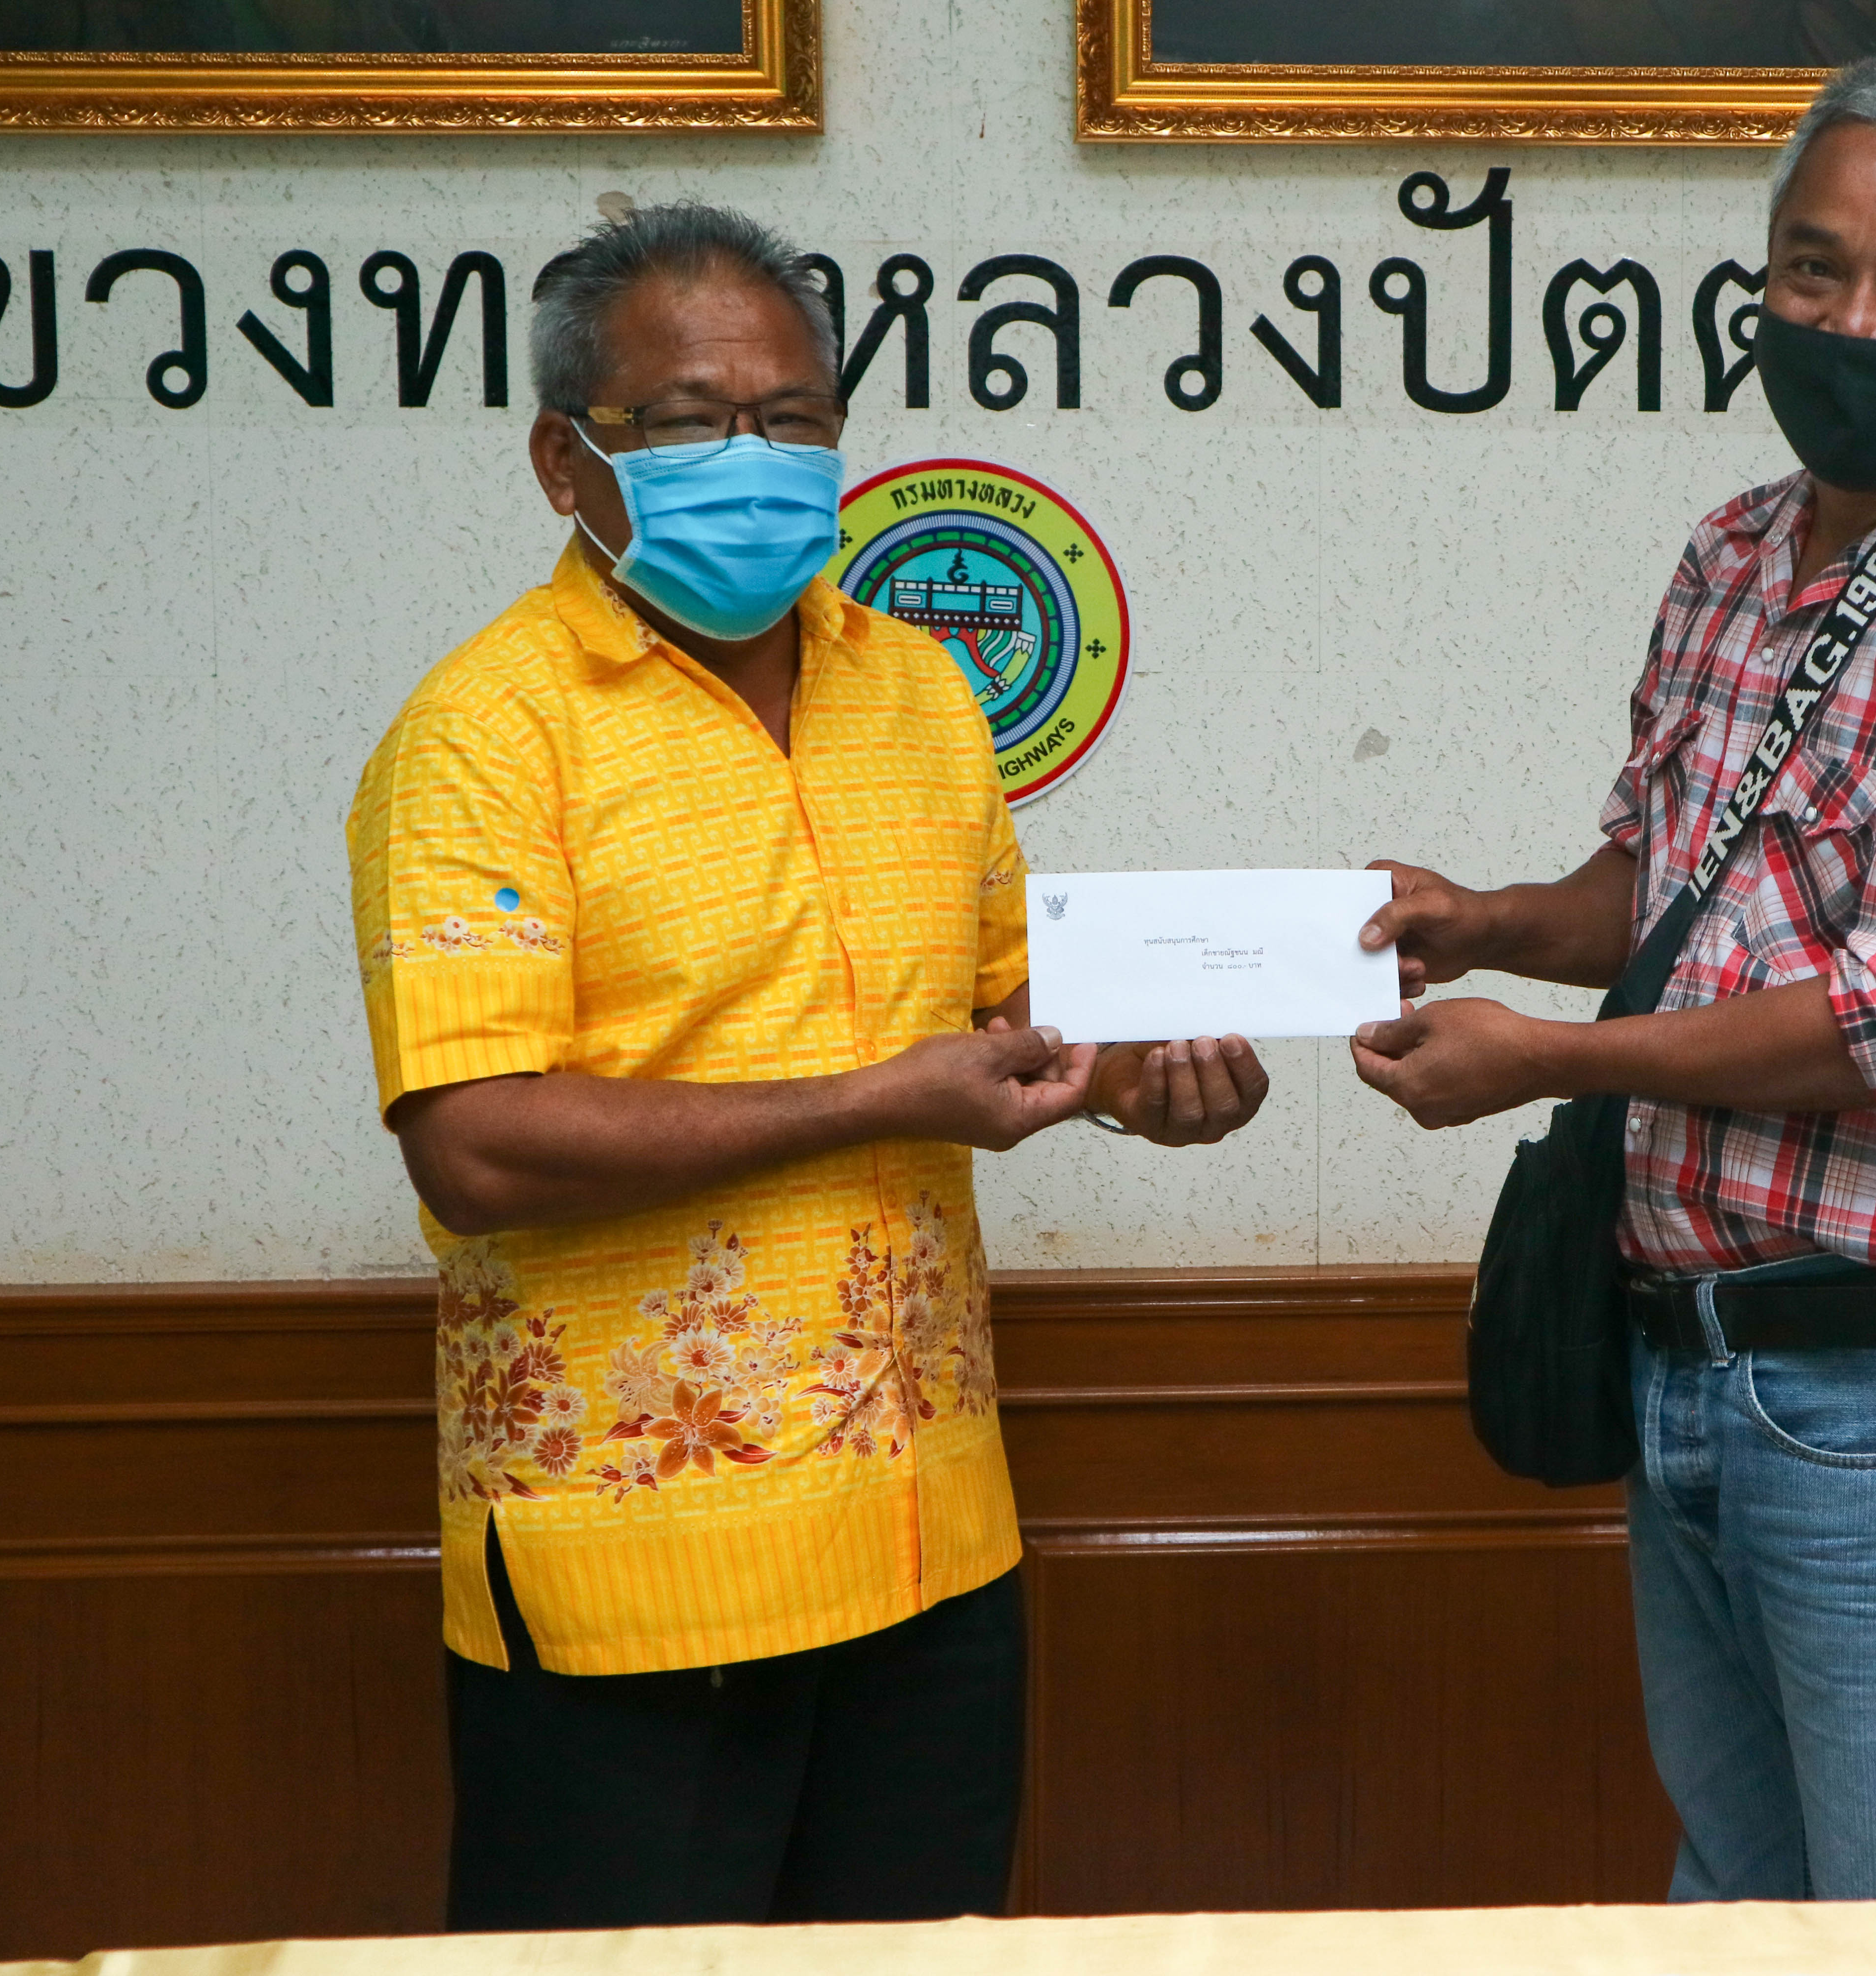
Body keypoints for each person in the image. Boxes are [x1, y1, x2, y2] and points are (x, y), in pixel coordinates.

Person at [344, 201, 1270, 1932]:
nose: (754, 459)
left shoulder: (918, 693)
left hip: (933, 1548)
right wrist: (877, 1102)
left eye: (793, 417)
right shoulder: (483, 735)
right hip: (640, 1578)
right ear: (563, 459)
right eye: (691, 420)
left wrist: (1149, 1077)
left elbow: (1014, 1005)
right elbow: (473, 1144)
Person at [1348, 50, 1876, 1906]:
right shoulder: (1736, 551)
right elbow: (1673, 894)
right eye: (1814, 268)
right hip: (1683, 1360)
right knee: (1739, 1908)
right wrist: (1489, 920)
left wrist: (1548, 1061)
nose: (1855, 320)